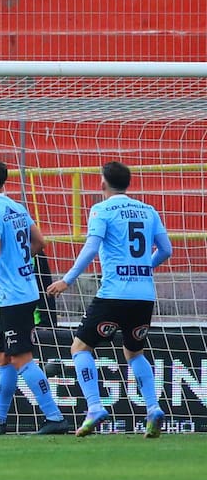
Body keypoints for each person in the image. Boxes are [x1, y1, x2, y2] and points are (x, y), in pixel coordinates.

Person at [47, 161, 172, 438]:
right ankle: (152, 407)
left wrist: (67, 279)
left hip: (114, 293)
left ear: (102, 183)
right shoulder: (148, 210)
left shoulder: (101, 209)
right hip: (143, 295)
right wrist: (145, 268)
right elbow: (166, 249)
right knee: (134, 352)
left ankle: (94, 407)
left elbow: (91, 247)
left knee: (80, 347)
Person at [0, 158, 69, 435]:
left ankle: (55, 417)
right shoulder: (16, 206)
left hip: (15, 297)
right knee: (3, 356)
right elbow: (40, 242)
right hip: (26, 290)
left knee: (20, 357)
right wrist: (19, 263)